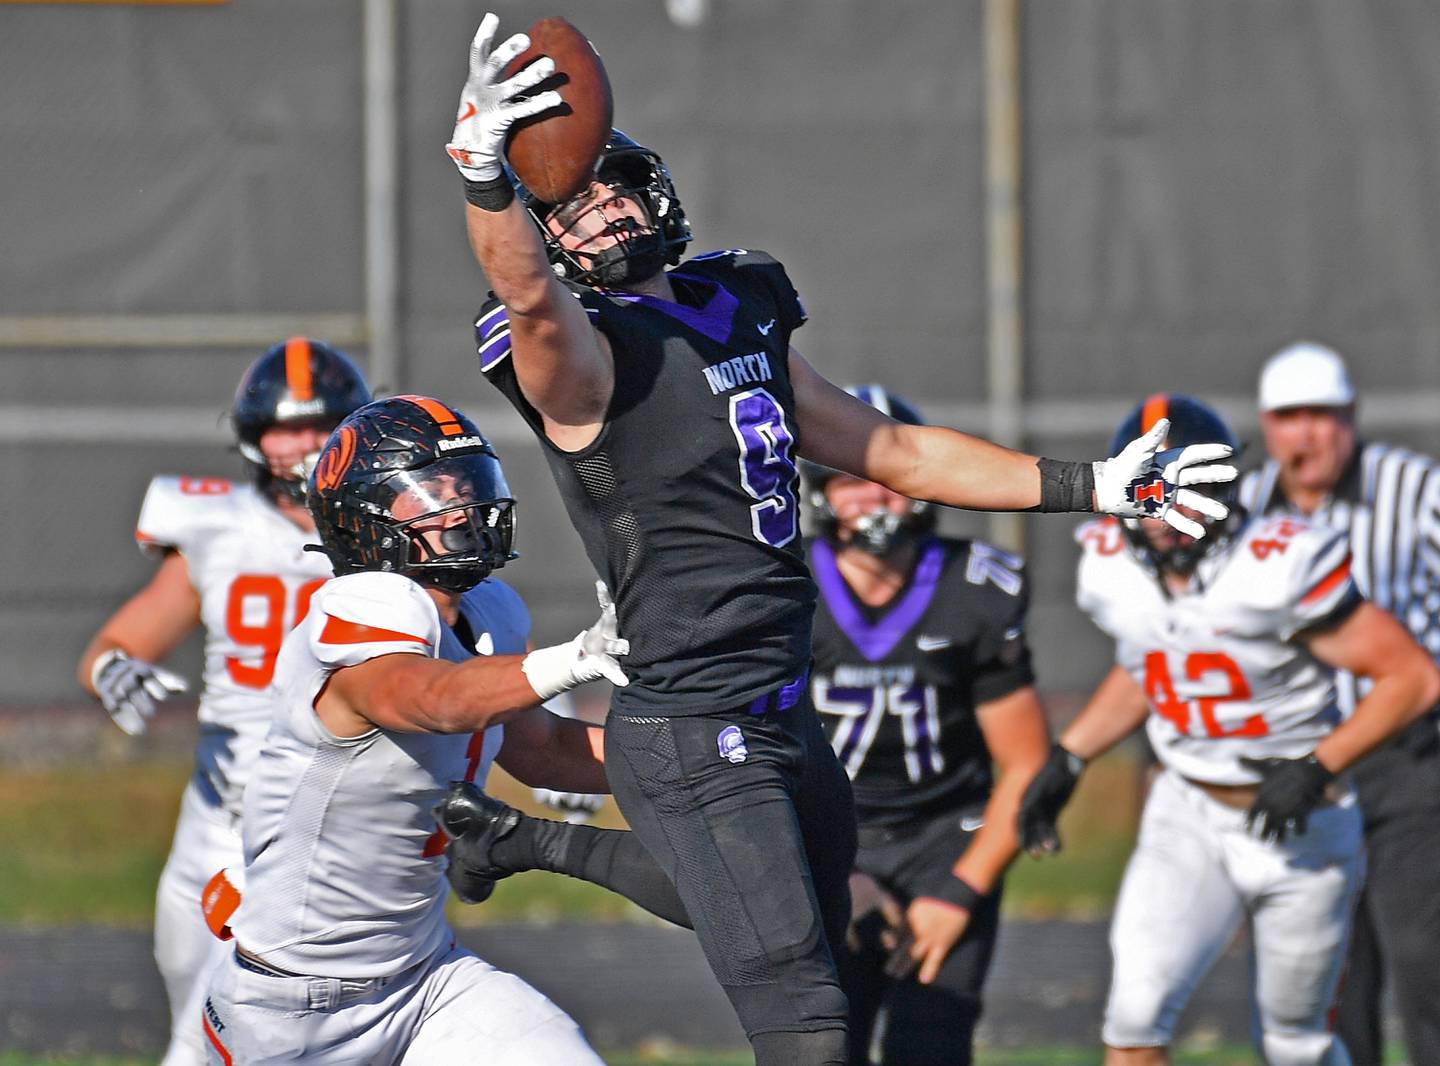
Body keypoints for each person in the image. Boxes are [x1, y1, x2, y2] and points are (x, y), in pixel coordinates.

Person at [445, 15, 1236, 1062]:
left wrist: (1091, 484)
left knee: (780, 914)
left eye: (615, 186)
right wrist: (486, 179)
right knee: (810, 1026)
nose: (603, 213)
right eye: (574, 206)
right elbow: (530, 305)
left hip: (784, 709)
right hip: (690, 720)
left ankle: (528, 840)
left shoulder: (739, 304)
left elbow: (891, 450)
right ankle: (535, 840)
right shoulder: (586, 359)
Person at [199, 395, 627, 1065]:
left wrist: (710, 755)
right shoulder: (364, 606)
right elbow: (431, 699)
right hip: (295, 1011)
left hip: (425, 980)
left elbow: (547, 750)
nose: (458, 507)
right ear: (363, 521)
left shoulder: (488, 612)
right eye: (429, 491)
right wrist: (576, 660)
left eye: (462, 485)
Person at [1016, 394, 1440, 1066]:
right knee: (1132, 1021)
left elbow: (1413, 678)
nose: (1164, 514)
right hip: (1189, 812)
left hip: (1304, 825)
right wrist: (1071, 757)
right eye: (1152, 490)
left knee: (1295, 1044)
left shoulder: (1276, 566)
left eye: (1186, 491)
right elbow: (1154, 661)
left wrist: (1319, 765)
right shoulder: (1111, 570)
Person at [76, 337, 371, 1066]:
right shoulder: (219, 529)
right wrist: (114, 672)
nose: (302, 444)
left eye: (320, 424)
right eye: (285, 428)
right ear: (251, 437)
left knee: (213, 1042)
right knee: (194, 1006)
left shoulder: (383, 532)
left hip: (326, 825)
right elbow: (115, 645)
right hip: (215, 822)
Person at [804, 385, 1050, 1065]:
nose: (872, 496)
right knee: (819, 1045)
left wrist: (959, 891)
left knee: (931, 1046)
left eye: (886, 477)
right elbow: (754, 757)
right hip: (826, 833)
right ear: (820, 490)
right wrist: (832, 872)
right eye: (850, 479)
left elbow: (1027, 763)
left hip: (947, 836)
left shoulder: (973, 588)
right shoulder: (784, 589)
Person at [1237, 341, 1440, 1066]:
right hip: (1294, 772)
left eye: (1322, 415)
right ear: (1267, 423)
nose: (1306, 434)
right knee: (1324, 981)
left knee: (1426, 967)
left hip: (1405, 761)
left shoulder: (1414, 489)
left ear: (1351, 417)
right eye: (1289, 417)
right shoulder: (1248, 503)